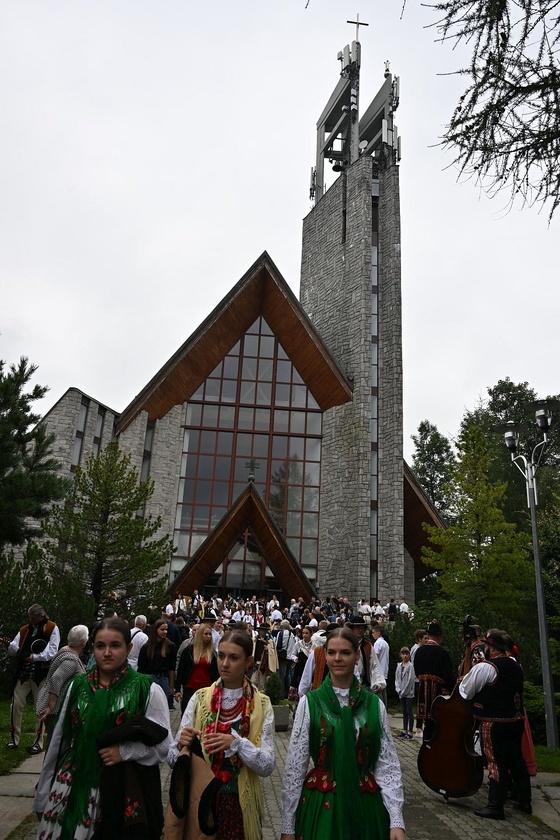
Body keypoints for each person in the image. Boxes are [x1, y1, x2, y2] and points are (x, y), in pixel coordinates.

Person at [34, 617, 172, 838]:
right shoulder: (76, 686)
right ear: (93, 648)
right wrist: (42, 795)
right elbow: (58, 742)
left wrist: (124, 752)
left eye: (115, 645)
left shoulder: (148, 690)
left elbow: (165, 747)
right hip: (73, 784)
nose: (107, 652)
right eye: (100, 646)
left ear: (128, 648)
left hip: (119, 790)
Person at [280, 627, 405, 840]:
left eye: (345, 653)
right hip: (321, 806)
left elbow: (386, 765)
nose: (337, 658)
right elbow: (295, 768)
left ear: (357, 656)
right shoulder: (310, 703)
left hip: (365, 804)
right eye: (331, 652)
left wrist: (396, 820)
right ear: (325, 656)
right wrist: (287, 826)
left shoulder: (373, 705)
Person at [168, 630, 276, 840]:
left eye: (234, 657)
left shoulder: (261, 703)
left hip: (239, 803)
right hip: (200, 799)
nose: (225, 663)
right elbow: (172, 759)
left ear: (248, 661)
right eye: (221, 656)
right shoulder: (200, 699)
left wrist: (238, 744)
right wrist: (182, 744)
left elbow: (268, 765)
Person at [459, 629, 531, 819]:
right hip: (515, 720)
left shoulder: (487, 667)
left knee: (495, 761)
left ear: (491, 648)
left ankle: (495, 806)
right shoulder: (516, 665)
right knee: (516, 760)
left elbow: (465, 691)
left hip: (493, 722)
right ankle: (525, 801)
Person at [6, 604, 60, 754]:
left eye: (33, 618)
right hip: (23, 673)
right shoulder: (25, 629)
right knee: (15, 705)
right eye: (30, 617)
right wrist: (12, 648)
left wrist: (35, 657)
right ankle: (13, 739)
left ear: (41, 616)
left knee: (40, 707)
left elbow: (52, 650)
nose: (31, 620)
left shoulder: (51, 628)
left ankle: (38, 742)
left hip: (40, 674)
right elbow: (14, 647)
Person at [36, 624, 89, 747]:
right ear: (84, 642)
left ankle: (52, 766)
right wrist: (51, 705)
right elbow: (56, 678)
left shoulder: (64, 651)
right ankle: (52, 767)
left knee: (55, 745)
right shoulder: (71, 659)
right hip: (56, 710)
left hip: (56, 708)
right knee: (57, 747)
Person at [413, 620, 455, 741]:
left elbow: (417, 672)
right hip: (438, 694)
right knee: (439, 724)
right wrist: (454, 691)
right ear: (439, 637)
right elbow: (448, 676)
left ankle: (426, 748)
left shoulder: (419, 652)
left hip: (423, 693)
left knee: (428, 724)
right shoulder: (442, 652)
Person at [175, 622, 219, 712]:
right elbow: (181, 670)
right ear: (200, 635)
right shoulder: (189, 651)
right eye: (205, 634)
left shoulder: (213, 653)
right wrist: (178, 689)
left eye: (210, 634)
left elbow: (216, 672)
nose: (208, 636)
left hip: (207, 689)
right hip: (190, 688)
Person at [137, 618, 177, 710]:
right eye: (162, 629)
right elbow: (141, 667)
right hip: (149, 677)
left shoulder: (170, 646)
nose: (165, 632)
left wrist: (171, 686)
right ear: (156, 630)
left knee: (162, 706)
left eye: (166, 630)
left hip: (163, 678)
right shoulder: (146, 647)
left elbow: (172, 667)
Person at [347, 615, 385, 692]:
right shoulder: (346, 644)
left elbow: (374, 665)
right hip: (348, 684)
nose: (360, 630)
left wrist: (378, 682)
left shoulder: (368, 646)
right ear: (352, 629)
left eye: (362, 628)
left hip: (364, 684)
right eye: (357, 628)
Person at [395, 647, 415, 739]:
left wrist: (404, 692)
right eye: (403, 654)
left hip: (408, 693)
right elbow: (397, 679)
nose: (405, 656)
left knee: (409, 711)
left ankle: (410, 732)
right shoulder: (399, 666)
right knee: (404, 712)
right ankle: (404, 730)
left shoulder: (410, 666)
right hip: (401, 692)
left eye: (407, 654)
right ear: (401, 655)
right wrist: (398, 689)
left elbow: (410, 680)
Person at [371, 624, 390, 708]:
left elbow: (375, 657)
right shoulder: (385, 643)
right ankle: (385, 708)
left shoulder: (377, 643)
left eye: (373, 632)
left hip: (379, 671)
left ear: (378, 633)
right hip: (384, 669)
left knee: (379, 694)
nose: (372, 634)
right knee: (384, 693)